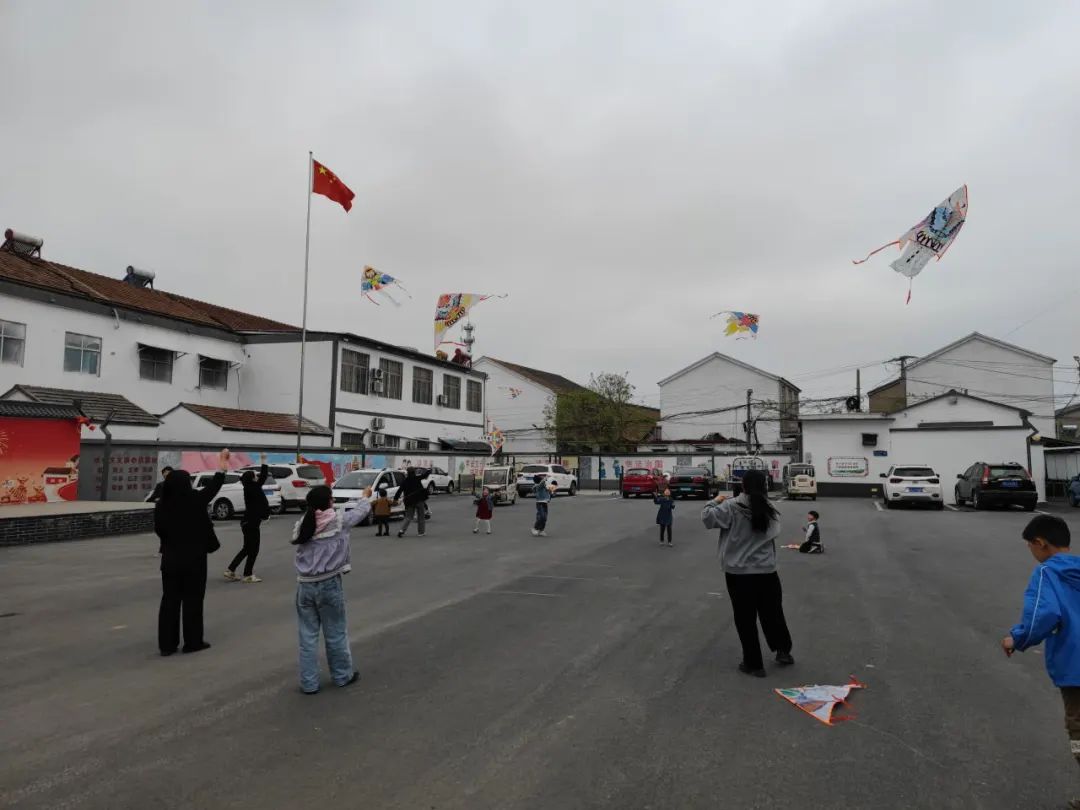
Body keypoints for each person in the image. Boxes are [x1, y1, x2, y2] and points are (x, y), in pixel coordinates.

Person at [1002, 515, 1080, 806]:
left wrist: (1017, 638)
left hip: (1075, 669)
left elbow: (1043, 615)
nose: (1032, 553)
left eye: (1030, 547)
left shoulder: (1047, 573)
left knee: (1079, 729)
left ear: (1040, 543)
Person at [702, 469, 793, 678]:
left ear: (743, 486)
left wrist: (714, 501)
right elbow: (774, 534)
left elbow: (707, 518)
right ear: (765, 486)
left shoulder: (731, 506)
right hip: (767, 571)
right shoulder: (770, 509)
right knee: (773, 613)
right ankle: (783, 651)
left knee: (745, 618)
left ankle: (754, 663)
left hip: (739, 573)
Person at [292, 484, 372, 694]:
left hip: (304, 586)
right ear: (327, 502)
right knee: (335, 632)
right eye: (331, 498)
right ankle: (342, 675)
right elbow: (361, 511)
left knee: (307, 637)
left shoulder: (303, 524)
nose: (333, 501)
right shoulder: (337, 521)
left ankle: (309, 683)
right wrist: (365, 496)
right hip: (329, 584)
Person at [154, 449, 229, 657]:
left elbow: (159, 530)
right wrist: (222, 468)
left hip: (170, 559)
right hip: (194, 559)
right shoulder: (195, 499)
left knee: (169, 601)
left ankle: (167, 645)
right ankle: (193, 642)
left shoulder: (161, 506)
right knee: (193, 600)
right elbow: (213, 488)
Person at [225, 453, 270, 583]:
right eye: (255, 476)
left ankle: (231, 570)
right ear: (251, 478)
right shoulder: (252, 487)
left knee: (247, 548)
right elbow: (264, 476)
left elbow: (262, 477)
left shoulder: (250, 487)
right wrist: (264, 461)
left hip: (248, 522)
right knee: (253, 549)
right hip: (251, 523)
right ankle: (247, 574)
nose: (257, 477)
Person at [395, 467, 428, 537]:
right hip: (419, 500)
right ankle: (421, 532)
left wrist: (395, 499)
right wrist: (428, 470)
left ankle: (401, 530)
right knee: (421, 516)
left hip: (409, 501)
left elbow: (399, 491)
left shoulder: (405, 481)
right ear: (414, 472)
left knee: (408, 517)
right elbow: (425, 475)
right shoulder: (417, 478)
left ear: (407, 473)